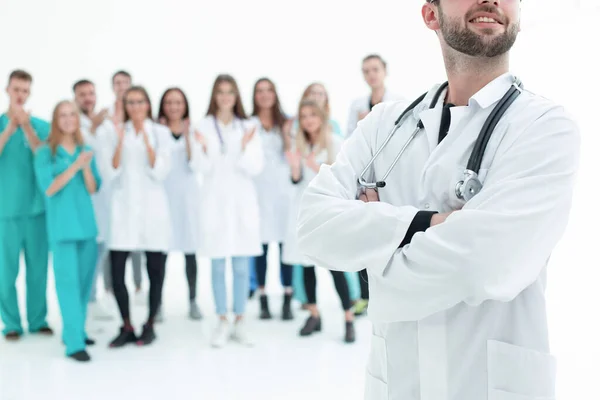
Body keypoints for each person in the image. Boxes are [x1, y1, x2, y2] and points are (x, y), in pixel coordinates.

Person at [296, 1, 580, 399]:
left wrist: (373, 260)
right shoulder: (384, 124)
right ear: (431, 15)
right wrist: (430, 224)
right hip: (397, 383)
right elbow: (311, 226)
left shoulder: (545, 127)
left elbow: (483, 263)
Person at [196, 74, 263, 348]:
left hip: (242, 202)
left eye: (230, 92)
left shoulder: (248, 126)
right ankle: (221, 320)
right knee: (217, 264)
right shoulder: (202, 126)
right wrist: (202, 149)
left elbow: (256, 166)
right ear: (214, 95)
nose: (225, 97)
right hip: (214, 201)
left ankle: (239, 320)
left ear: (236, 96)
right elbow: (200, 167)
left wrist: (245, 146)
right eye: (221, 92)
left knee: (240, 265)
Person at [102, 86, 172, 347]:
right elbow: (111, 172)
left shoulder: (160, 133)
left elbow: (161, 171)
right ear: (124, 105)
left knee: (156, 270)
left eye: (140, 101)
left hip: (153, 210)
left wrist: (145, 141)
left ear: (148, 104)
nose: (135, 107)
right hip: (123, 209)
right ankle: (126, 324)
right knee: (118, 271)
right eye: (130, 102)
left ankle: (150, 323)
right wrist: (121, 140)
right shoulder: (113, 132)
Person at [33, 101, 102, 362]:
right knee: (67, 286)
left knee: (84, 285)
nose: (69, 119)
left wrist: (84, 166)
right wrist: (74, 166)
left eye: (72, 114)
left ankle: (76, 330)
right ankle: (74, 344)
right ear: (55, 120)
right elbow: (49, 188)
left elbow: (94, 188)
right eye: (63, 115)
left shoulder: (86, 150)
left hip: (86, 227)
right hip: (62, 229)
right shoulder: (45, 153)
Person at [283, 100, 355, 343]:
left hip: (328, 211)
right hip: (305, 210)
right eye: (303, 116)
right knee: (306, 265)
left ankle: (348, 318)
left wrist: (316, 167)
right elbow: (296, 180)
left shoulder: (335, 142)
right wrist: (295, 167)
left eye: (312, 115)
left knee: (335, 266)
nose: (308, 120)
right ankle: (313, 314)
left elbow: (343, 180)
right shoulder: (300, 145)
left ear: (322, 117)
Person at [0, 70, 53, 341]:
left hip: (36, 211)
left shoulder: (41, 125)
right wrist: (10, 128)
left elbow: (44, 156)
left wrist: (26, 127)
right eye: (16, 89)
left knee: (38, 269)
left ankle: (38, 319)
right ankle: (10, 323)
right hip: (6, 211)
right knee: (6, 271)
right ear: (7, 90)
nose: (20, 95)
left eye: (24, 91)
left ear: (29, 93)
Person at [250, 78, 294, 320]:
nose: (265, 95)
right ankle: (263, 298)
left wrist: (287, 134)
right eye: (260, 91)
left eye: (269, 90)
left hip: (282, 191)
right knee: (261, 247)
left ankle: (287, 297)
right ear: (254, 96)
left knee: (284, 246)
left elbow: (291, 154)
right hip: (257, 192)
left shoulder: (285, 122)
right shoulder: (248, 123)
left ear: (275, 94)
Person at [157, 87, 203, 321]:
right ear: (162, 106)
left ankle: (193, 300)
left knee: (190, 251)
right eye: (169, 102)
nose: (174, 107)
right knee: (159, 253)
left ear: (185, 106)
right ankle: (158, 304)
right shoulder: (155, 130)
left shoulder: (194, 131)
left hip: (187, 199)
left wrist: (187, 138)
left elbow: (196, 165)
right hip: (163, 198)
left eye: (178, 102)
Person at [73, 79, 115, 321]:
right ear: (75, 98)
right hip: (86, 198)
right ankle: (86, 303)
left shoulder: (106, 125)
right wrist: (93, 127)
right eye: (82, 94)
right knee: (88, 255)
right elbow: (82, 148)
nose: (88, 98)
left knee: (100, 253)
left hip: (106, 198)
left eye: (91, 93)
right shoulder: (74, 123)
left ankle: (93, 298)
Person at [107, 70, 145, 304]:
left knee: (139, 245)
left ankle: (139, 286)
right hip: (116, 193)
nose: (121, 86)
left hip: (140, 194)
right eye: (117, 83)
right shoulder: (108, 116)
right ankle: (111, 290)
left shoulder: (141, 119)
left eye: (125, 83)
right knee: (114, 246)